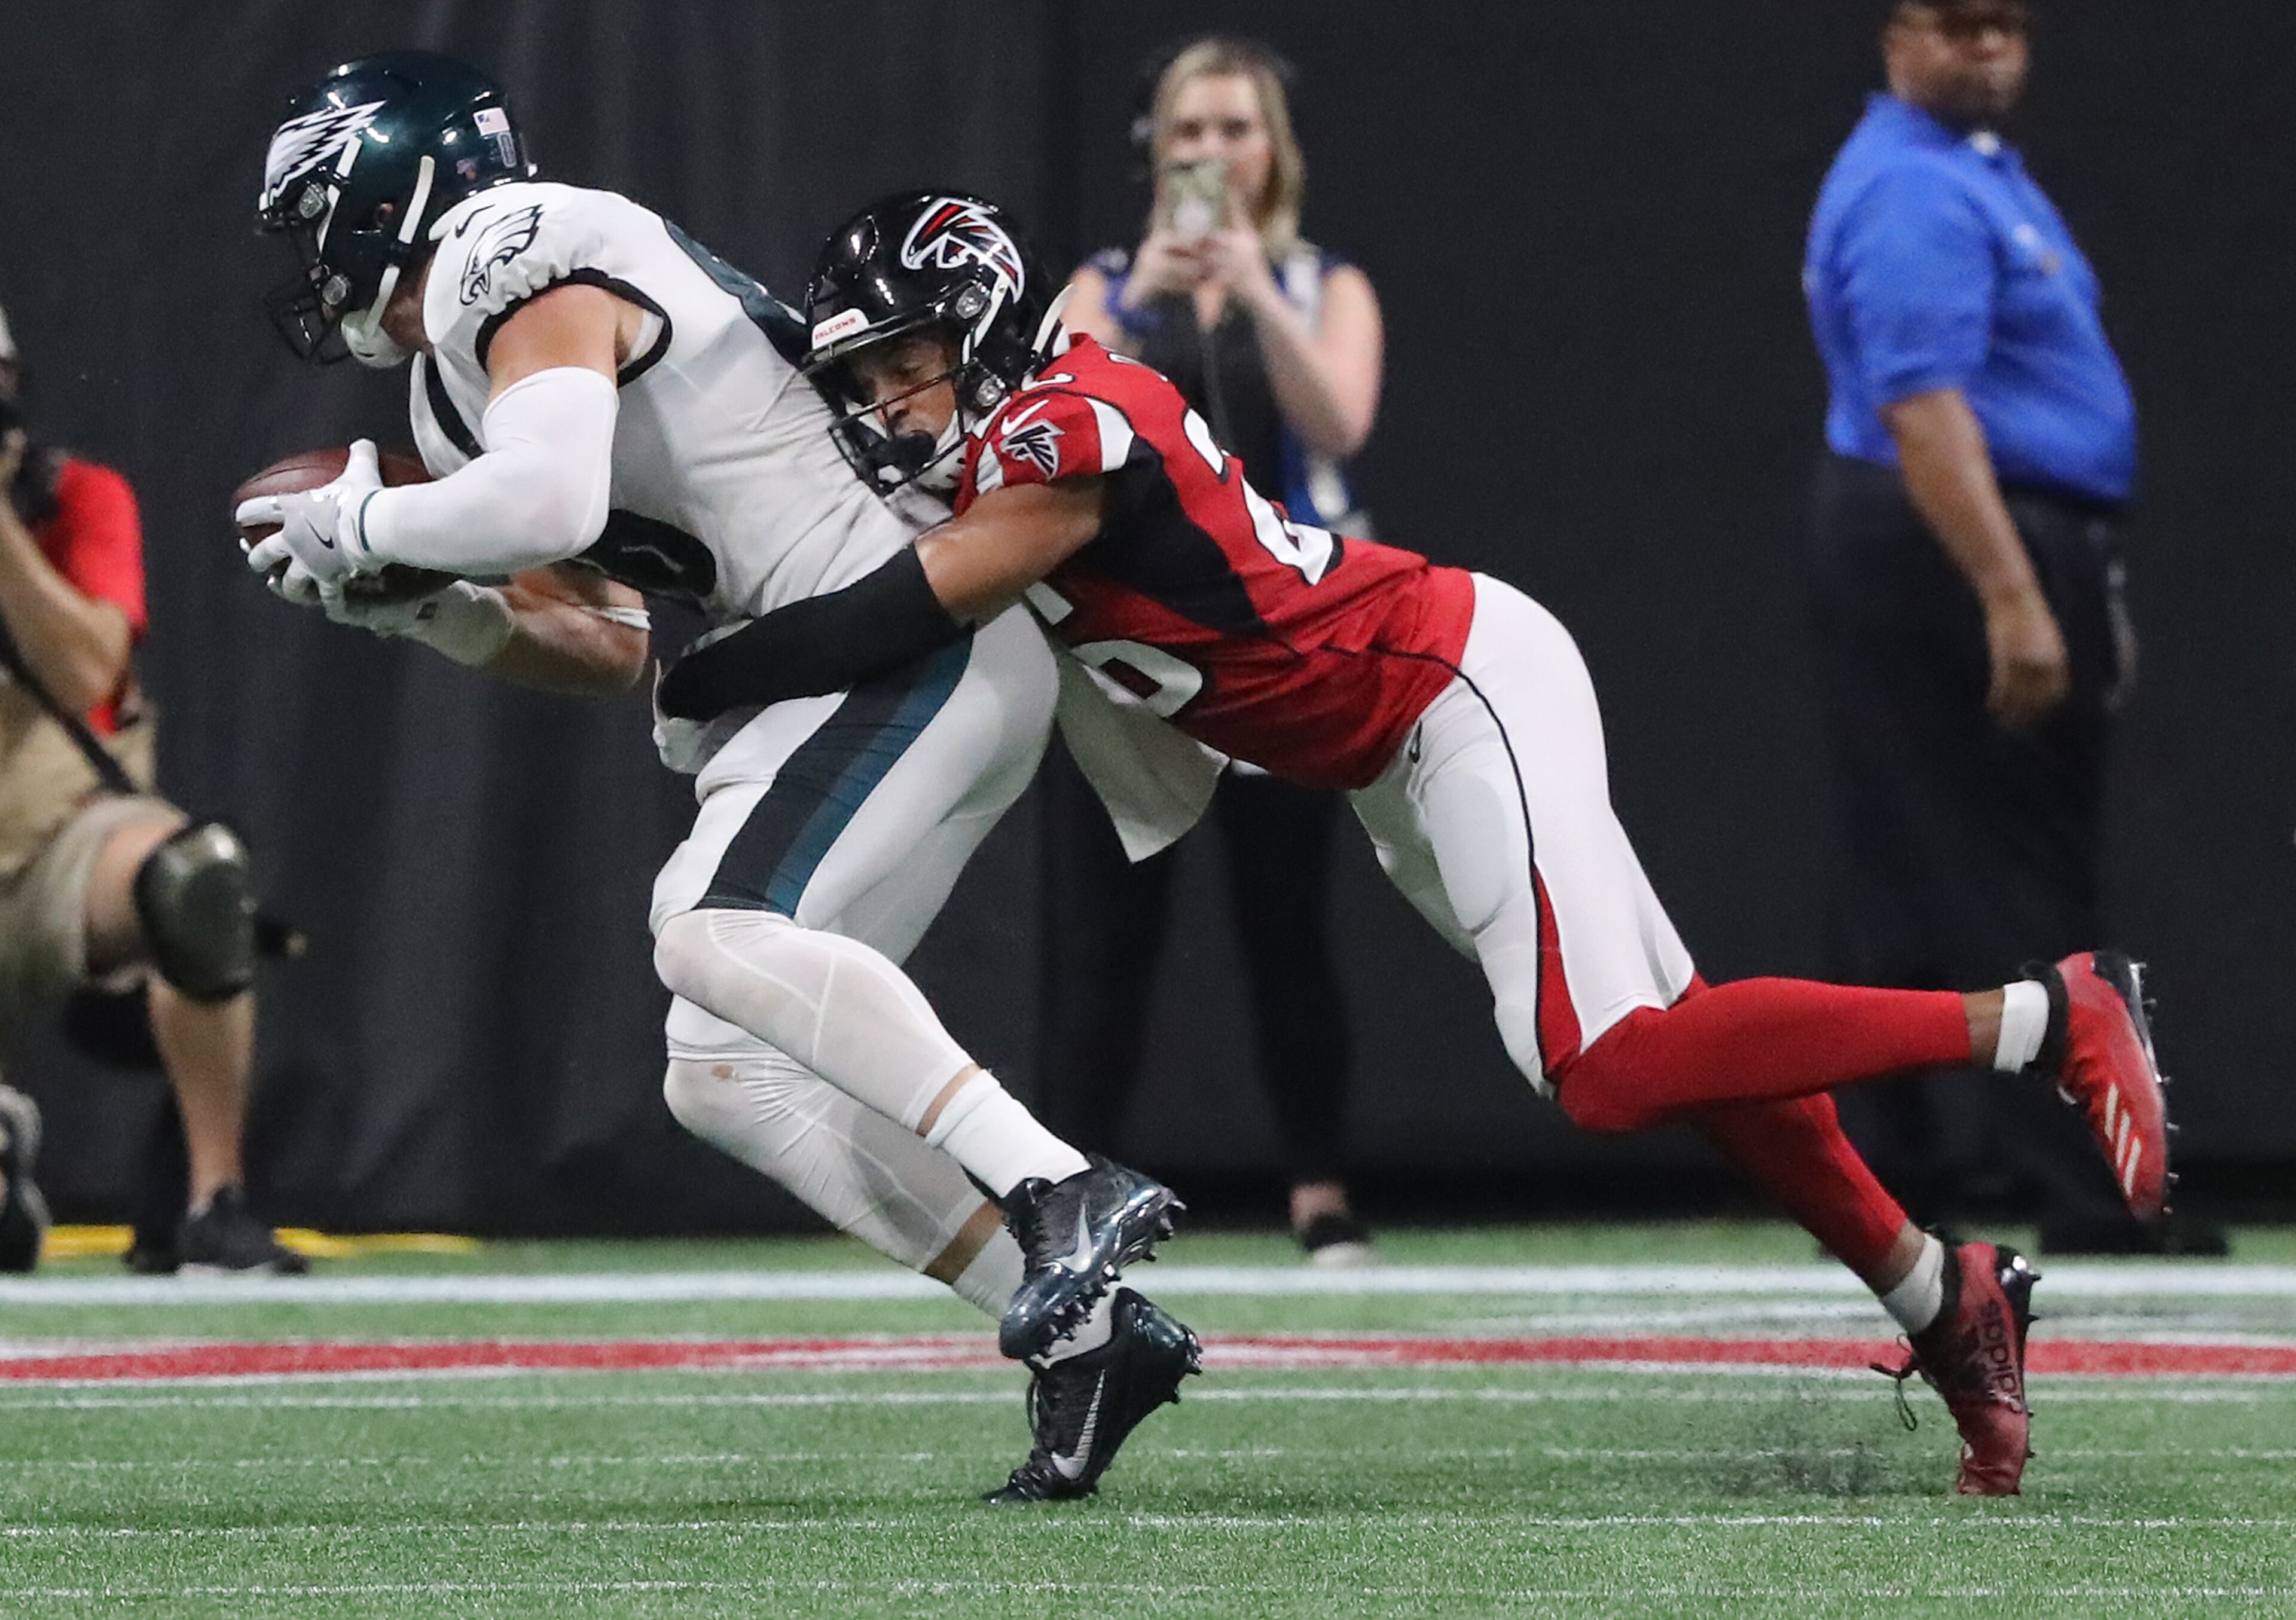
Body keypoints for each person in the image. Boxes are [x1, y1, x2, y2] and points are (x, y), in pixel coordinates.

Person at [658, 190, 2179, 1496]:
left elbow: (901, 605)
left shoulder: (1067, 423)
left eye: (905, 364)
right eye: (864, 374)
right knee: (1699, 1051)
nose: (883, 405)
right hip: (1386, 753)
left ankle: (2042, 1015)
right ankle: (1941, 1291)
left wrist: (706, 666)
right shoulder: (1009, 426)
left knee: (1609, 1062)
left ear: (981, 327)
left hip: (1450, 684)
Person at [239, 52, 1193, 1502]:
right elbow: (610, 642)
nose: (311, 252)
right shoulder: (452, 400)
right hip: (832, 668)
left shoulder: (520, 244)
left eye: (319, 209)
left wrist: (369, 518)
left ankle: (1060, 1181)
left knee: (711, 925)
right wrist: (425, 600)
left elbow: (549, 497)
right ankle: (1093, 1334)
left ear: (398, 184)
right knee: (726, 1068)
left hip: (901, 626)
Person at [1802, 0, 2210, 1253]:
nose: (1989, 51)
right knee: (1998, 867)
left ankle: (1920, 1167)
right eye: (1959, 25)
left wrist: (2080, 581)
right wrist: (2014, 590)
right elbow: (1925, 408)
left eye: (2009, 28)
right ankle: (2062, 1181)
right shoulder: (1912, 193)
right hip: (1959, 535)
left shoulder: (1978, 177)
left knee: (1961, 860)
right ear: (1894, 35)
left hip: (2012, 533)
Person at [1051, 37, 1382, 1260]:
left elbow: (1340, 419)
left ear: (1273, 148)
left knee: (1288, 922)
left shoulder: (1322, 284)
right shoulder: (1104, 283)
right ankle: (1069, 1185)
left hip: (1278, 643)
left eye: (1236, 130)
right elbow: (1068, 414)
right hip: (1135, 649)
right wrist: (1147, 295)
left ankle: (1322, 1190)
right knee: (1111, 929)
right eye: (1190, 130)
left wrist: (1252, 293)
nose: (1210, 154)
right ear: (1156, 146)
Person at [0, 298, 303, 1275]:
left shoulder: (79, 499)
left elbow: (93, 674)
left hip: (54, 849)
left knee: (198, 877)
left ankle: (214, 1199)